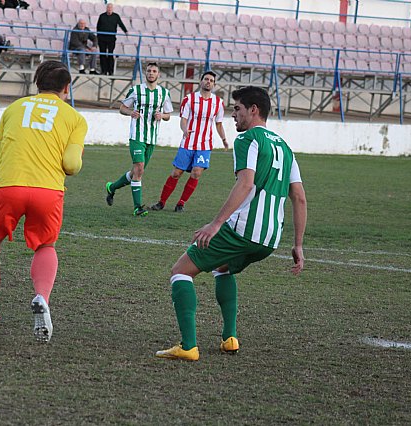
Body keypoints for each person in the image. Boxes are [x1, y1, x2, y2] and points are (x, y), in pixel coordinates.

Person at [155, 86, 307, 361]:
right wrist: (297, 245)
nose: (232, 115)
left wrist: (215, 224)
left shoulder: (247, 139)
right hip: (270, 239)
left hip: (244, 229)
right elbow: (299, 198)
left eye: (236, 108)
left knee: (180, 271)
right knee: (222, 268)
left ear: (253, 110)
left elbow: (246, 183)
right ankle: (230, 338)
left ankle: (188, 346)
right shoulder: (285, 148)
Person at [0, 60, 87, 343]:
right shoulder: (75, 119)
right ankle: (41, 297)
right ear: (66, 89)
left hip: (9, 184)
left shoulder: (14, 109)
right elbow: (71, 164)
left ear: (37, 84)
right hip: (48, 190)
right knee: (46, 246)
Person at [150, 71, 229, 213]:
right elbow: (183, 119)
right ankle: (161, 202)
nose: (208, 82)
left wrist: (224, 139)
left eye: (211, 80)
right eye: (206, 79)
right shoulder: (189, 99)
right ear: (201, 81)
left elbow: (218, 123)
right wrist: (185, 129)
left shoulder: (218, 103)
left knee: (196, 173)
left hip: (204, 145)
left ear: (214, 84)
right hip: (188, 142)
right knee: (176, 173)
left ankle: (181, 203)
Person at [105, 62, 172, 217]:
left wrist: (162, 116)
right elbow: (122, 108)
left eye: (154, 71)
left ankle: (112, 187)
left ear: (158, 74)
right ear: (145, 73)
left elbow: (168, 115)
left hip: (152, 138)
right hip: (137, 136)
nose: (151, 73)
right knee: (139, 169)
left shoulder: (164, 93)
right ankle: (137, 207)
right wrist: (131, 113)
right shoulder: (136, 90)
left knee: (136, 172)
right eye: (149, 71)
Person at [96, 3, 127, 75]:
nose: (109, 9)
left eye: (110, 8)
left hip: (111, 38)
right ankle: (103, 70)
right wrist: (98, 36)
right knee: (102, 54)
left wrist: (125, 31)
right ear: (106, 8)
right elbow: (98, 27)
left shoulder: (116, 16)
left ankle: (110, 71)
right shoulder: (102, 16)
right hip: (102, 38)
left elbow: (121, 24)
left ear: (112, 9)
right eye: (108, 7)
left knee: (110, 53)